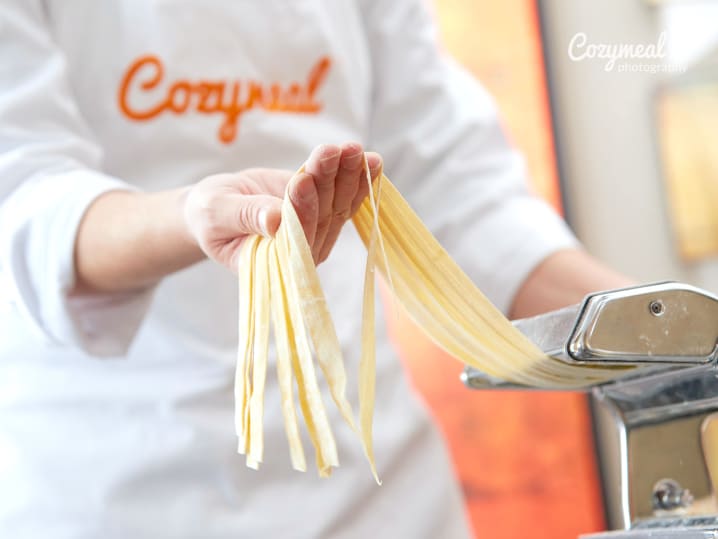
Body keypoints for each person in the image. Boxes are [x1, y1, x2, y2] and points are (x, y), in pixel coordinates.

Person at [0, 1, 629, 537]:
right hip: (114, 494)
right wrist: (193, 216)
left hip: (380, 500)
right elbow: (24, 200)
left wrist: (681, 332)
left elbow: (466, 203)